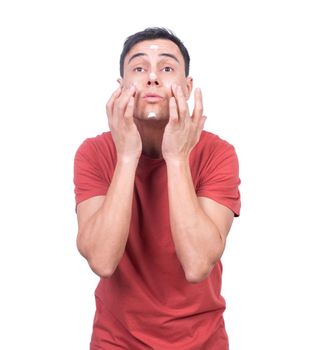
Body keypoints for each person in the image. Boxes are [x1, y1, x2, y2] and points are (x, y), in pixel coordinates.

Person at [73, 27, 241, 349]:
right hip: (116, 341)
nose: (152, 78)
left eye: (166, 68)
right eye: (138, 68)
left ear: (188, 87)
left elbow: (197, 264)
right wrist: (126, 156)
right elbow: (102, 260)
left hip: (201, 341)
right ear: (121, 87)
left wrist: (176, 158)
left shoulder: (218, 153)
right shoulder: (93, 154)